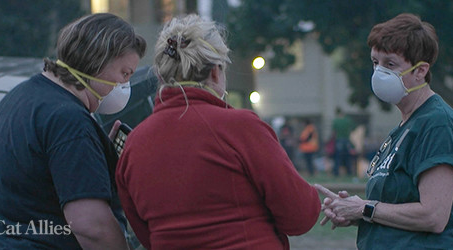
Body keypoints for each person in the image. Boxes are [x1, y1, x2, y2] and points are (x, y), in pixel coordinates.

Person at [115, 14, 320, 250]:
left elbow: (144, 233)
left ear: (161, 76)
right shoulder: (240, 127)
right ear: (215, 72)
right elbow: (299, 216)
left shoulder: (133, 144)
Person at [0, 13, 146, 249]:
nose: (124, 84)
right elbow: (91, 227)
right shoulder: (69, 121)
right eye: (124, 73)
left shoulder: (20, 95)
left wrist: (94, 157)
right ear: (97, 62)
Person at [316, 13, 453, 249]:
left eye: (390, 64)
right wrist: (355, 212)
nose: (379, 72)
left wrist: (364, 208)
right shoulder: (404, 127)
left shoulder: (438, 124)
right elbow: (394, 209)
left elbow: (433, 216)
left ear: (421, 71)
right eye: (375, 62)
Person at [331, 107, 356, 177]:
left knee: (338, 157)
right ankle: (349, 172)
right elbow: (353, 128)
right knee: (347, 157)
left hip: (339, 140)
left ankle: (336, 172)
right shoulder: (347, 120)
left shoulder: (336, 121)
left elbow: (334, 132)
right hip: (347, 140)